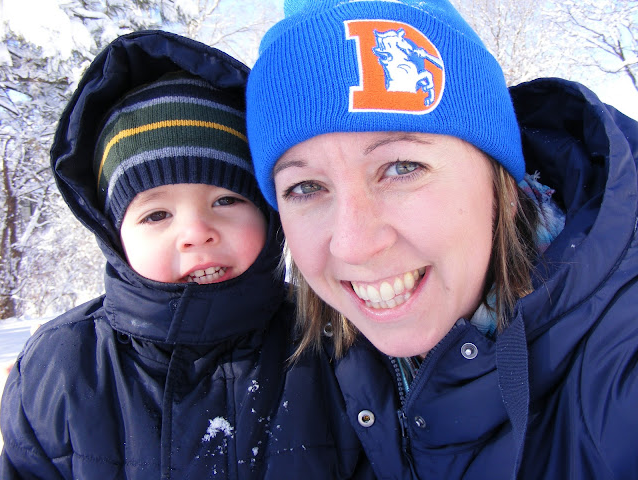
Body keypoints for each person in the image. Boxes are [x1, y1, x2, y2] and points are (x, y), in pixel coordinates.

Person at [245, 0, 638, 478]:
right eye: (306, 188)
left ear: (502, 185)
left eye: (402, 167)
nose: (353, 244)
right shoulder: (301, 377)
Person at [0, 30, 373, 479]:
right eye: (156, 214)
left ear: (268, 212)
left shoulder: (332, 340)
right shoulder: (61, 365)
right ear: (114, 236)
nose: (196, 233)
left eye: (226, 200)